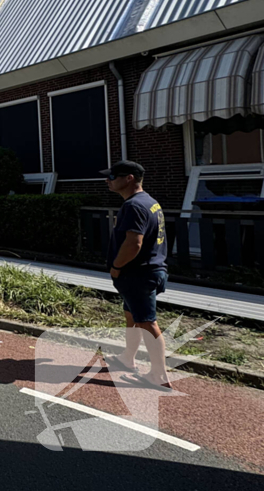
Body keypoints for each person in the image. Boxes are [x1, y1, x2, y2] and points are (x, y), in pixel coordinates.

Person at [101, 160, 172, 391]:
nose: (108, 180)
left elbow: (134, 243)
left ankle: (158, 375)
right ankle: (127, 359)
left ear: (129, 178)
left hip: (138, 274)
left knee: (147, 322)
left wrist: (116, 266)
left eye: (112, 176)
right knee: (131, 316)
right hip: (153, 270)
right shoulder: (150, 202)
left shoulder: (133, 206)